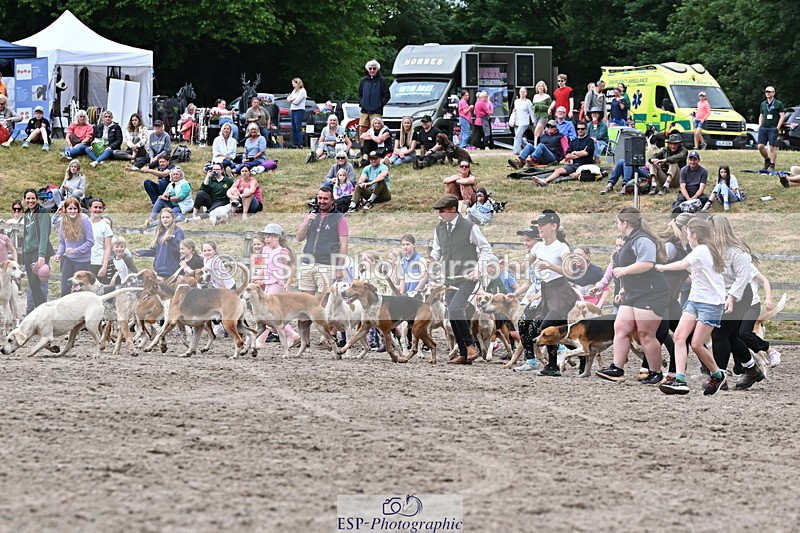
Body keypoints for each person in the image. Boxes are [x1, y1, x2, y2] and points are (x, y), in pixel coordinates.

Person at [595, 207, 670, 384]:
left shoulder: (642, 239)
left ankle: (655, 372)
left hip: (651, 292)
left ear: (625, 223)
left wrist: (624, 271)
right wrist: (624, 288)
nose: (617, 225)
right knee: (621, 328)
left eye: (617, 222)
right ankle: (617, 368)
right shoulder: (630, 240)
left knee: (645, 334)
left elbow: (647, 263)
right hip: (633, 292)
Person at [654, 217, 728, 395]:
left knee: (696, 344)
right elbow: (692, 270)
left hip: (711, 304)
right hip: (695, 300)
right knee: (679, 336)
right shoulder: (702, 250)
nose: (687, 237)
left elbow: (683, 264)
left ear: (695, 234)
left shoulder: (702, 249)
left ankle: (718, 375)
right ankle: (679, 379)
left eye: (688, 234)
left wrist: (661, 267)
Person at [430, 194, 493, 365]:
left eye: (442, 211)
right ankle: (464, 353)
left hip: (468, 277)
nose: (440, 214)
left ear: (453, 210)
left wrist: (477, 269)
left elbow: (486, 249)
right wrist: (432, 259)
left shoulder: (470, 227)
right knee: (452, 313)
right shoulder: (439, 228)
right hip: (450, 277)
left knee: (456, 309)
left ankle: (472, 346)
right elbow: (437, 250)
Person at [512, 210, 576, 375]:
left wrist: (550, 266)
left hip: (561, 292)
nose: (540, 228)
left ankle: (559, 362)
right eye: (538, 225)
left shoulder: (561, 247)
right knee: (557, 329)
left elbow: (569, 272)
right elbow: (522, 267)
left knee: (547, 326)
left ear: (554, 226)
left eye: (543, 225)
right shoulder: (539, 247)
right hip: (547, 292)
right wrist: (504, 265)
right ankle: (556, 365)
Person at [707, 215, 765, 390]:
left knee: (719, 335)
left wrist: (731, 297)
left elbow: (742, 278)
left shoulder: (737, 251)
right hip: (722, 295)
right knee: (731, 336)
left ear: (718, 230)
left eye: (710, 229)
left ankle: (720, 377)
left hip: (739, 296)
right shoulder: (714, 249)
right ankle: (752, 370)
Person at [253, 223, 300, 348]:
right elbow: (263, 266)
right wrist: (257, 278)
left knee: (270, 313)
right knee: (270, 313)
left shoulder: (282, 251)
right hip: (268, 283)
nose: (267, 239)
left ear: (277, 237)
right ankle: (291, 335)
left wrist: (288, 282)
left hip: (277, 284)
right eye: (266, 237)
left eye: (270, 237)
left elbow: (292, 266)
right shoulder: (266, 249)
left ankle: (262, 340)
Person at [296, 186, 349, 294]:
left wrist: (339, 268)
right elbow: (299, 238)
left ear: (332, 200)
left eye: (325, 199)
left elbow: (344, 246)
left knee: (324, 302)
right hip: (308, 262)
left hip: (327, 264)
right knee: (306, 303)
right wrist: (306, 223)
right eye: (320, 198)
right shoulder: (311, 215)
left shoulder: (339, 218)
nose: (322, 201)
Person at [510, 225, 545, 371]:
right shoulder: (531, 258)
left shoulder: (545, 256)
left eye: (528, 240)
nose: (525, 243)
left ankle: (559, 352)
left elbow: (551, 281)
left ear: (538, 240)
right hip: (532, 297)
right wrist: (517, 294)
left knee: (538, 328)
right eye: (524, 240)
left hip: (545, 298)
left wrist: (540, 295)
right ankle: (531, 360)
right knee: (523, 326)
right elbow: (530, 282)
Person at [52, 198, 94, 297]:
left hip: (83, 261)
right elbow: (62, 242)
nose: (72, 211)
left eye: (75, 208)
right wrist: (58, 254)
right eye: (70, 209)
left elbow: (90, 242)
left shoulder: (85, 221)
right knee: (65, 290)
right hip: (68, 260)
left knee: (79, 292)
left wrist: (75, 250)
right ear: (65, 210)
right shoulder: (63, 222)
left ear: (78, 209)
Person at [534, 122, 595, 186]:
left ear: (586, 130)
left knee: (578, 174)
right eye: (578, 129)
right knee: (558, 170)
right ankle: (545, 181)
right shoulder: (574, 141)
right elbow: (568, 156)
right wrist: (580, 153)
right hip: (574, 165)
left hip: (586, 165)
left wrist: (574, 153)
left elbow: (585, 153)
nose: (580, 130)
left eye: (582, 129)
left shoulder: (590, 141)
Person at [21, 188, 52, 309]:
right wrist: (23, 254)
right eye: (28, 198)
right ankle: (42, 310)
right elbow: (26, 234)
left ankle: (45, 310)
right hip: (28, 252)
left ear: (37, 199)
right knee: (33, 285)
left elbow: (44, 235)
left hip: (38, 252)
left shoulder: (42, 212)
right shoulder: (27, 213)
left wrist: (42, 255)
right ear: (24, 200)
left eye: (33, 198)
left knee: (36, 283)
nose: (30, 200)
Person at [134, 207, 185, 278]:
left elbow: (181, 250)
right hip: (159, 270)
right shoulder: (160, 232)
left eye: (167, 217)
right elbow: (155, 251)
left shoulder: (178, 232)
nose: (165, 219)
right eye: (163, 217)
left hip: (172, 270)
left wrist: (171, 241)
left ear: (173, 218)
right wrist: (142, 252)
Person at [358, 59, 391, 135]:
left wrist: (379, 104)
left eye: (374, 68)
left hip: (376, 111)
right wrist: (361, 103)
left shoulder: (382, 80)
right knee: (362, 128)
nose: (372, 70)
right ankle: (363, 146)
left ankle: (375, 146)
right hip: (364, 110)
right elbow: (360, 94)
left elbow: (387, 95)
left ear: (377, 69)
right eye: (370, 68)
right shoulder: (364, 81)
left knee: (375, 129)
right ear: (367, 69)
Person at [757, 85, 785, 172]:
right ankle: (767, 160)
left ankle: (772, 165)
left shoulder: (778, 104)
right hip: (764, 127)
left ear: (773, 93)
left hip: (772, 128)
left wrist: (777, 127)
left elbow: (782, 115)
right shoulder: (763, 104)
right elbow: (761, 115)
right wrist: (760, 125)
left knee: (772, 147)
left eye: (769, 92)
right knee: (760, 146)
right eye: (766, 92)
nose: (767, 93)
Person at [86, 198, 113, 283]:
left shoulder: (105, 227)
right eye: (95, 207)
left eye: (100, 207)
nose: (97, 210)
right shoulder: (83, 224)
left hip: (98, 262)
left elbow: (108, 248)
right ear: (90, 208)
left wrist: (104, 266)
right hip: (84, 261)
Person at [511, 87, 534, 155]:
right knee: (520, 137)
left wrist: (533, 121)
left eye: (524, 92)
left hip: (524, 122)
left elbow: (531, 112)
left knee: (517, 136)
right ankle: (530, 148)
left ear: (526, 93)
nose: (522, 93)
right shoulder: (516, 101)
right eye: (521, 92)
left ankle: (516, 151)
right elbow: (516, 109)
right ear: (519, 92)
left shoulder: (528, 102)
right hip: (517, 121)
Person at [286, 78, 307, 148]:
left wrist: (292, 99)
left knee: (298, 127)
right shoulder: (294, 91)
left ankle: (300, 143)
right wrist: (293, 99)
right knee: (294, 127)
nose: (293, 85)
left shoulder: (302, 91)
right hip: (293, 109)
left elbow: (296, 102)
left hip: (299, 110)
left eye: (293, 84)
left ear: (297, 83)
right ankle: (294, 143)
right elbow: (288, 99)